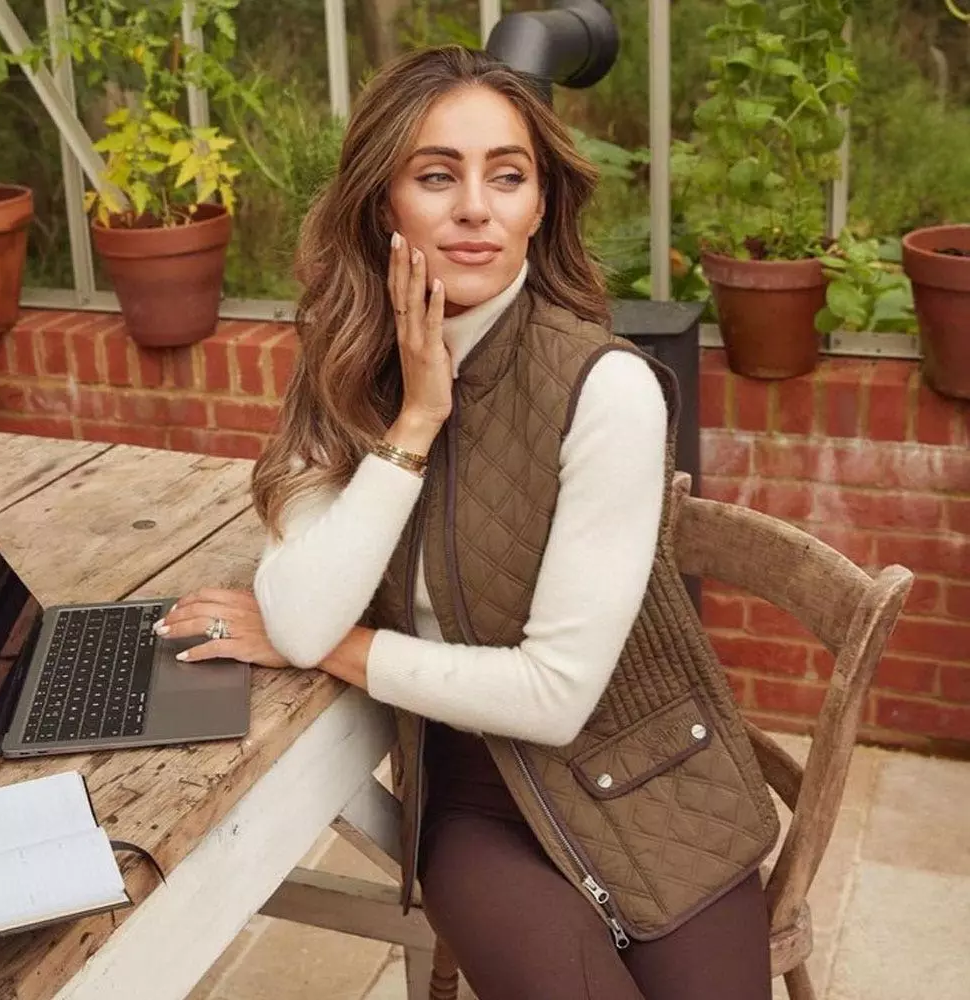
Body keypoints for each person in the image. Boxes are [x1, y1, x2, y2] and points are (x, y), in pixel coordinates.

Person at [154, 45, 779, 1000]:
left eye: (508, 176)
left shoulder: (605, 389)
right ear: (383, 204)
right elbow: (302, 611)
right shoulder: (341, 369)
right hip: (476, 794)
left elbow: (552, 695)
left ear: (541, 207)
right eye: (438, 176)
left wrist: (339, 647)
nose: (476, 208)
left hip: (653, 774)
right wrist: (413, 423)